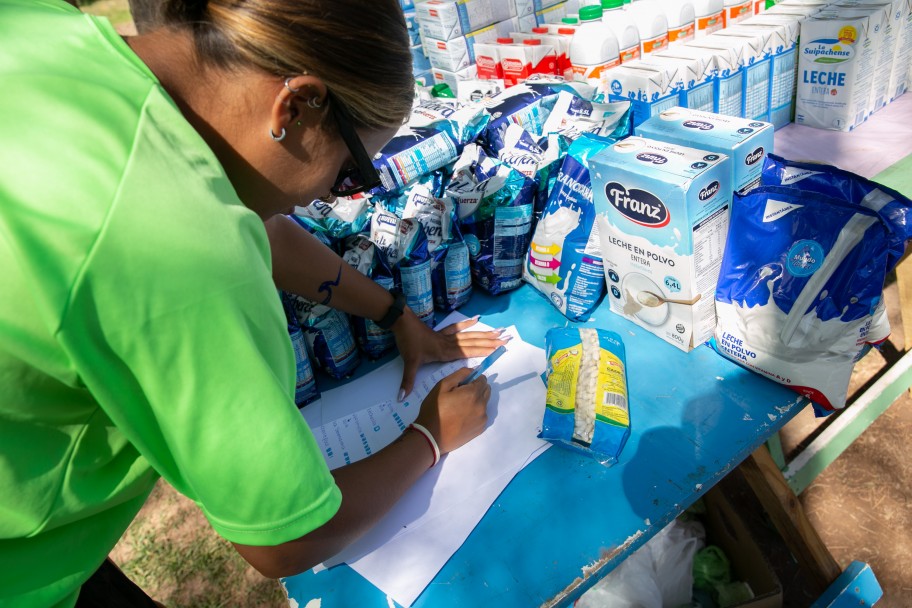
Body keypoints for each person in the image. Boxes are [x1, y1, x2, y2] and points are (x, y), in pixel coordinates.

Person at [0, 0, 506, 605]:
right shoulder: (188, 258)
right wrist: (429, 437)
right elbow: (284, 540)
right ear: (294, 105)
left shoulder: (44, 29)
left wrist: (395, 315)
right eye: (348, 173)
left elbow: (253, 224)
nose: (329, 196)